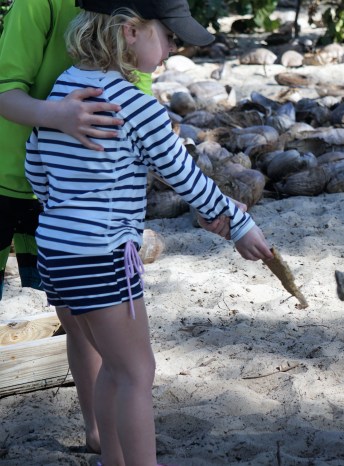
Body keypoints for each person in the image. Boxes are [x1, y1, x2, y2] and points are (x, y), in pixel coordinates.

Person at [24, 1, 273, 465]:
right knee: (137, 373)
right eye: (169, 37)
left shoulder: (61, 95)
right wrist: (239, 224)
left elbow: (35, 170)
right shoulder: (137, 106)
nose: (173, 48)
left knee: (114, 367)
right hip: (101, 256)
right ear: (130, 32)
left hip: (55, 252)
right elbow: (185, 177)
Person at [0, 0, 153, 454]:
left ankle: (99, 434)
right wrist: (58, 116)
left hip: (67, 197)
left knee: (79, 318)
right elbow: (4, 91)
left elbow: (136, 104)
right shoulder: (38, 3)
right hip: (7, 179)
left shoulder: (135, 13)